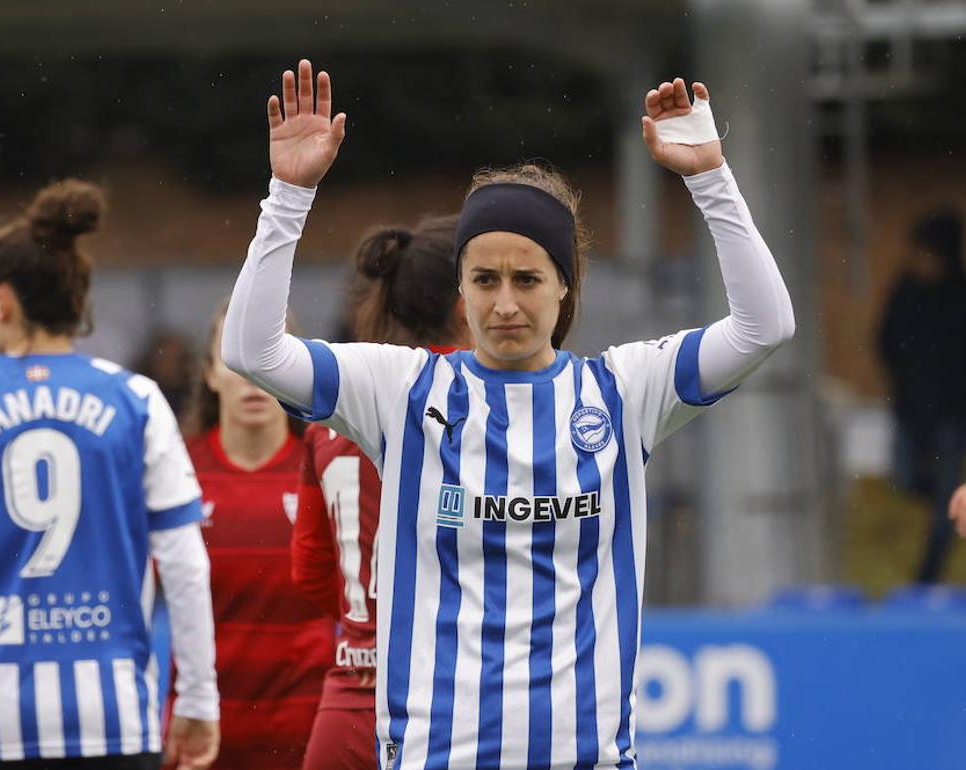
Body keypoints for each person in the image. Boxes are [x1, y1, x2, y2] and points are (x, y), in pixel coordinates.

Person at [223, 61, 794, 769]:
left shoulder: (624, 391)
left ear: (564, 286)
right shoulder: (401, 389)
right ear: (459, 290)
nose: (504, 305)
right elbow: (250, 348)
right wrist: (289, 194)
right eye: (484, 281)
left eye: (527, 280)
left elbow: (765, 326)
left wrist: (709, 178)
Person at [0, 179, 220, 769]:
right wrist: (197, 696)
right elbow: (185, 564)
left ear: (4, 304)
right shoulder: (137, 400)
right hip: (114, 716)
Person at [292, 214, 473, 770]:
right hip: (454, 703)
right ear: (467, 301)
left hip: (349, 704)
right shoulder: (495, 406)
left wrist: (369, 623)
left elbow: (311, 569)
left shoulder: (332, 414)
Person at [181, 304, 333, 770]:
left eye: (267, 355)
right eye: (234, 358)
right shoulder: (175, 473)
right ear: (210, 373)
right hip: (202, 736)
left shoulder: (327, 468)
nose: (252, 375)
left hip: (306, 734)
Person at [877, 210, 966, 583]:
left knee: (948, 505)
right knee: (904, 480)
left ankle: (925, 581)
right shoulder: (905, 290)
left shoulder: (959, 296)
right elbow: (885, 342)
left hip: (950, 416)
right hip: (909, 413)